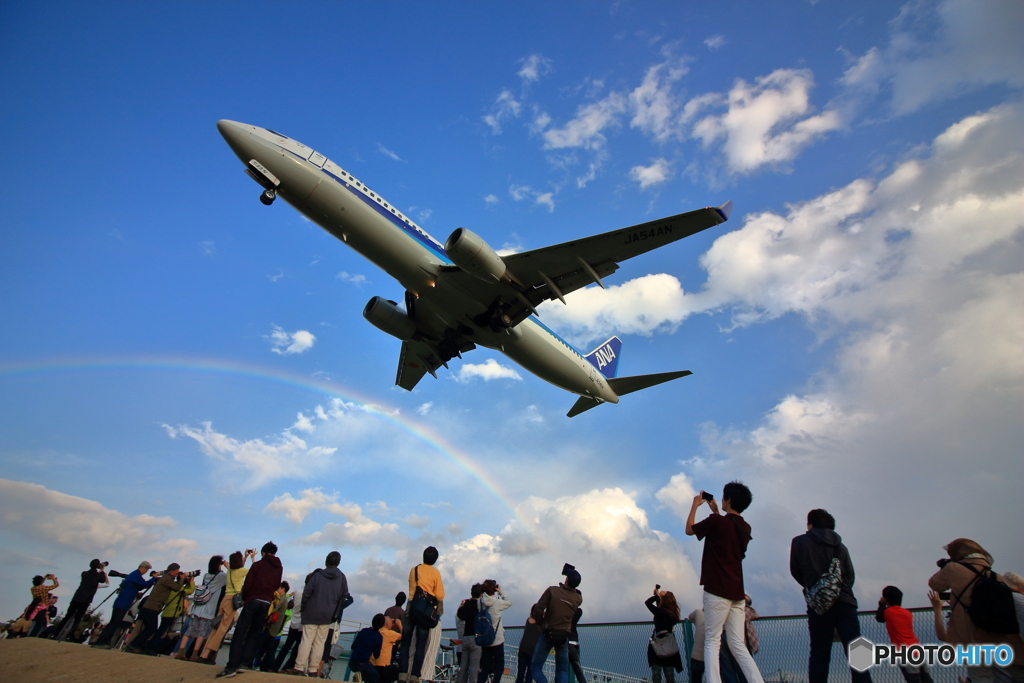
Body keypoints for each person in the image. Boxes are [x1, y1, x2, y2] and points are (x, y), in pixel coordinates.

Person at [686, 483, 765, 683]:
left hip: (717, 590)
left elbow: (689, 530)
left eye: (723, 497)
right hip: (737, 593)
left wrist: (695, 505)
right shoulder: (745, 527)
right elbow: (728, 532)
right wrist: (716, 512)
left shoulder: (716, 522)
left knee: (712, 641)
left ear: (728, 500)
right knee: (738, 645)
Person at [927, 539, 1024, 683]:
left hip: (971, 635)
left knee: (980, 676)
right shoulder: (996, 576)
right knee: (1017, 673)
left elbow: (935, 584)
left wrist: (946, 567)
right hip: (1001, 634)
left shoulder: (953, 568)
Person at [789, 509, 868, 683]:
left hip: (819, 605)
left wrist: (815, 588)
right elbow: (849, 575)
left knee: (819, 652)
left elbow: (795, 571)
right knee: (856, 649)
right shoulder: (840, 546)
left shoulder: (799, 542)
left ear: (810, 524)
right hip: (845, 601)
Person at [217, 541, 284, 679]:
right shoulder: (279, 568)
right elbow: (277, 585)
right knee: (254, 633)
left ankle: (231, 667)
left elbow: (248, 584)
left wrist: (246, 598)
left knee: (240, 632)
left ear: (263, 553)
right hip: (266, 602)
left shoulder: (257, 565)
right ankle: (245, 663)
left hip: (253, 599)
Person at [288, 550, 350, 677]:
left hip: (312, 612)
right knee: (320, 642)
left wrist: (304, 608)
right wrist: (335, 609)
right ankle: (313, 669)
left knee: (306, 640)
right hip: (328, 614)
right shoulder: (342, 577)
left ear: (326, 561)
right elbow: (344, 595)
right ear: (338, 563)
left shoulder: (318, 575)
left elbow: (307, 593)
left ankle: (299, 667)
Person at [399, 546, 445, 683]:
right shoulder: (435, 573)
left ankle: (402, 675)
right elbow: (440, 595)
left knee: (406, 643)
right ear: (435, 559)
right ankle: (415, 677)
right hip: (425, 610)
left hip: (411, 606)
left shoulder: (414, 570)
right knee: (420, 645)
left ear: (423, 556)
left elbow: (411, 588)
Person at [530, 566, 583, 683]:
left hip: (548, 632)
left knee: (535, 667)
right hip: (563, 635)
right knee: (562, 669)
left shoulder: (553, 591)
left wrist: (540, 623)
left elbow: (538, 609)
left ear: (567, 580)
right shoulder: (578, 599)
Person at [200, 550, 253, 663]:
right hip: (232, 601)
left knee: (216, 626)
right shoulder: (240, 571)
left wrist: (245, 556)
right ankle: (206, 654)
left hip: (225, 599)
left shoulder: (229, 571)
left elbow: (235, 565)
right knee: (223, 628)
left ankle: (203, 653)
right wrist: (252, 557)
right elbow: (254, 571)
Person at [128, 563, 193, 655]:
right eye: (177, 570)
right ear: (173, 571)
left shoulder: (166, 578)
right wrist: (182, 579)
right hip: (153, 606)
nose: (178, 572)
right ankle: (134, 645)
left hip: (151, 606)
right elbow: (177, 588)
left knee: (150, 628)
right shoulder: (167, 579)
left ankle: (135, 645)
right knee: (152, 628)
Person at [875, 586, 934, 683]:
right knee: (926, 679)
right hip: (918, 650)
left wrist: (881, 604)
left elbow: (879, 618)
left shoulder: (888, 612)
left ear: (886, 599)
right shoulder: (907, 613)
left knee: (913, 680)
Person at [92, 561, 156, 648]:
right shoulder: (135, 575)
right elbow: (144, 584)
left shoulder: (134, 575)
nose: (146, 572)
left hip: (121, 602)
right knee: (115, 623)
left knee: (113, 623)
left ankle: (100, 642)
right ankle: (101, 642)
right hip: (123, 602)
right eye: (147, 569)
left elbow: (140, 586)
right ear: (144, 568)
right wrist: (154, 578)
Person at [177, 555, 228, 661]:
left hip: (198, 607)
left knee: (190, 631)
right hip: (209, 609)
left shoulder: (206, 575)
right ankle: (194, 654)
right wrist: (227, 565)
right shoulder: (221, 576)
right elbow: (233, 575)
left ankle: (180, 652)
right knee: (202, 632)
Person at [59, 559, 109, 642]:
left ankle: (56, 632)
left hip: (77, 597)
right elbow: (103, 580)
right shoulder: (97, 575)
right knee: (78, 619)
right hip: (86, 600)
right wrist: (102, 570)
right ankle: (70, 635)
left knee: (67, 616)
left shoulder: (84, 574)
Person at [478, 579, 512, 683]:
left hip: (484, 638)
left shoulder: (480, 602)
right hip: (497, 639)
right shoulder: (497, 602)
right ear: (494, 589)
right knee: (499, 667)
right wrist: (500, 592)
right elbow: (509, 602)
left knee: (485, 668)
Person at [646, 590, 683, 683]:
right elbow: (661, 612)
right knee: (669, 674)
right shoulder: (673, 615)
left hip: (658, 645)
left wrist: (657, 596)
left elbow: (648, 603)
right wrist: (660, 597)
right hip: (669, 645)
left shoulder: (661, 613)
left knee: (656, 673)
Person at [256, 581, 291, 670]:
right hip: (275, 627)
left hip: (272, 626)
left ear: (283, 589)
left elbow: (273, 609)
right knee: (269, 647)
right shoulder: (283, 599)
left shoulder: (281, 599)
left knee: (260, 642)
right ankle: (270, 666)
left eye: (279, 588)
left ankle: (256, 662)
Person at [273, 585, 304, 672]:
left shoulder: (298, 591)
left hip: (293, 624)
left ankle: (274, 667)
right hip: (302, 625)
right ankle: (286, 668)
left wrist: (289, 595)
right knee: (297, 648)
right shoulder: (311, 593)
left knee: (286, 646)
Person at [350, 615, 386, 683]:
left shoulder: (363, 631)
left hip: (352, 661)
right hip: (362, 663)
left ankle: (359, 677)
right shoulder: (378, 637)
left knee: (368, 671)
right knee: (375, 678)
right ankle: (360, 676)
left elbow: (353, 647)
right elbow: (376, 656)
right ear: (382, 625)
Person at [371, 614, 403, 683]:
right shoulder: (389, 634)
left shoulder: (376, 632)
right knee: (399, 671)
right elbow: (404, 636)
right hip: (383, 666)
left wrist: (390, 623)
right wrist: (399, 624)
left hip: (371, 665)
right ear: (388, 624)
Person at [515, 617, 540, 683]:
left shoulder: (528, 620)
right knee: (529, 674)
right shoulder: (540, 622)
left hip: (523, 647)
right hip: (533, 650)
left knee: (520, 674)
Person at [687, 609, 706, 683]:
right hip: (714, 656)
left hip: (697, 655)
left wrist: (697, 623)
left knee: (696, 679)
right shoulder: (717, 616)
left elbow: (690, 617)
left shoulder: (698, 612)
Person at [569, 608, 586, 683]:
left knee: (561, 669)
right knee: (578, 670)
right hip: (574, 642)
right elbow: (579, 611)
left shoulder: (562, 612)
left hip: (564, 642)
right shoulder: (577, 612)